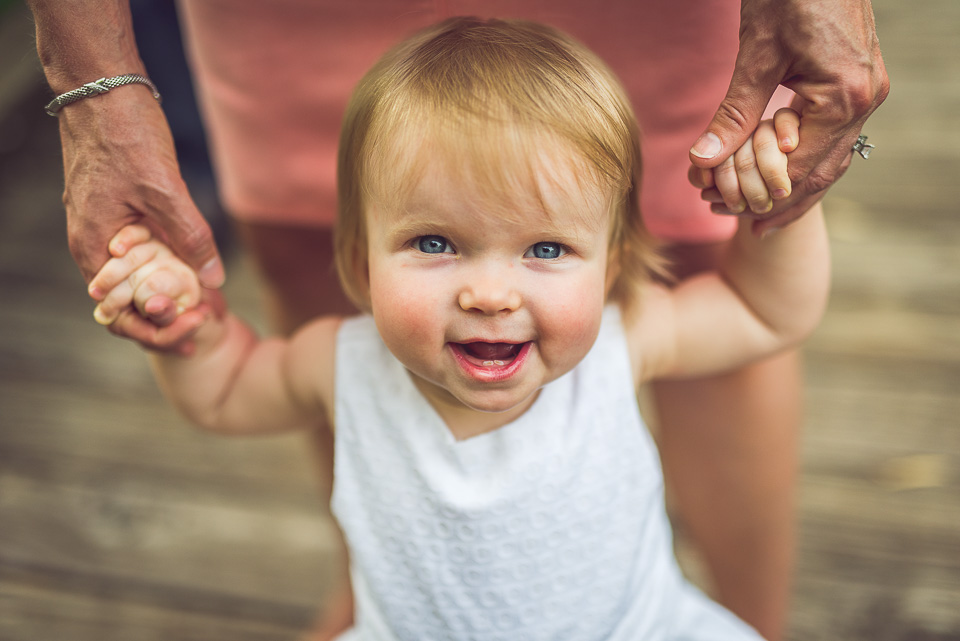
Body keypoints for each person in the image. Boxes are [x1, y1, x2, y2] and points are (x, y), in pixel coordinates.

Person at [28, 1, 887, 638]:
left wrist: (781, 209)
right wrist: (187, 329)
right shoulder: (343, 359)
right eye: (435, 242)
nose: (490, 292)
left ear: (614, 262)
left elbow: (763, 310)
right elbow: (220, 393)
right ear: (360, 262)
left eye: (546, 250)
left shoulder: (628, 338)